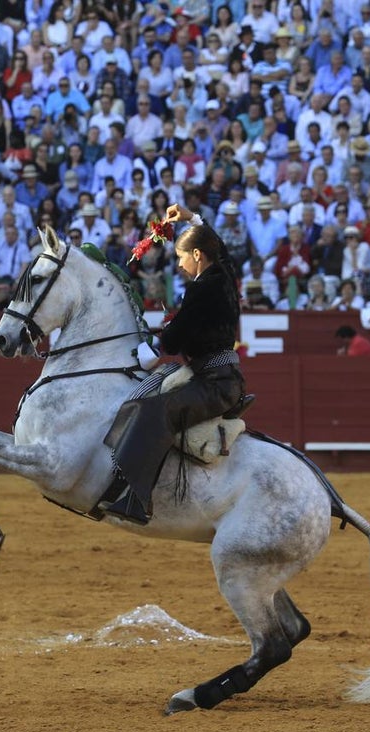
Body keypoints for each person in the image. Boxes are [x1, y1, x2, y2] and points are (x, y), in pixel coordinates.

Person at [99, 203, 244, 526]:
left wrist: (147, 352)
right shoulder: (222, 274)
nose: (179, 265)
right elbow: (216, 244)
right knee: (151, 394)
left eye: (181, 257)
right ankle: (122, 476)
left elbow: (174, 340)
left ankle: (138, 499)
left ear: (196, 256)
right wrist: (192, 219)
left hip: (215, 382)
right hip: (218, 376)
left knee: (155, 411)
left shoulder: (203, 288)